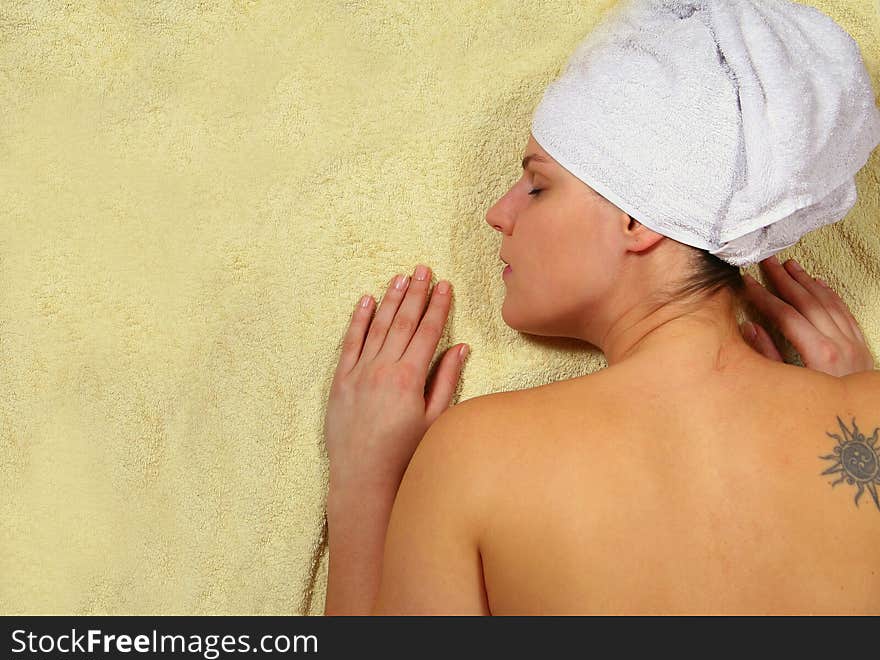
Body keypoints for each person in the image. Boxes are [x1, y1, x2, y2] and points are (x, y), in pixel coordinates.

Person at [323, 0, 880, 614]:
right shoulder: (866, 416)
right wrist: (852, 404)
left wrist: (365, 483)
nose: (497, 213)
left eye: (538, 185)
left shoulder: (477, 457)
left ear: (637, 217)